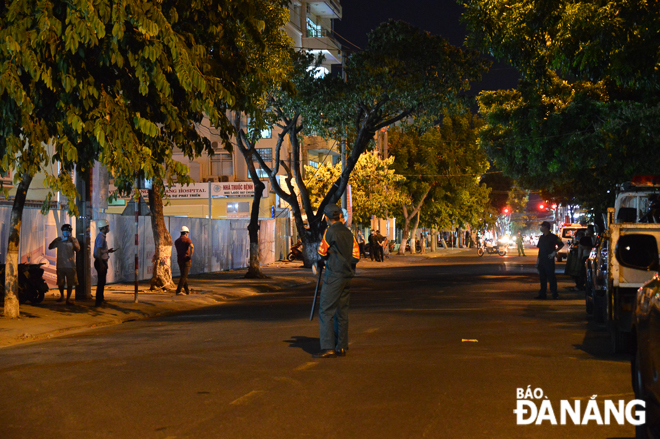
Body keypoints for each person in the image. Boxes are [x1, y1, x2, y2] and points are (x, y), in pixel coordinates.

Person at [314, 204, 360, 358]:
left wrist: (331, 259)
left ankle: (328, 347)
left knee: (326, 311)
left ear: (327, 218)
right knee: (342, 312)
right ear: (340, 216)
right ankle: (341, 346)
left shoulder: (330, 231)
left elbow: (321, 251)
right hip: (347, 276)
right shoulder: (349, 233)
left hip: (333, 276)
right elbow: (356, 256)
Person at [48, 224, 80, 305]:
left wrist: (72, 241)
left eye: (68, 231)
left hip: (70, 265)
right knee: (60, 283)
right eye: (65, 231)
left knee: (70, 283)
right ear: (62, 232)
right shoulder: (59, 239)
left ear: (70, 232)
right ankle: (62, 296)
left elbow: (78, 249)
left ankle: (68, 299)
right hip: (60, 265)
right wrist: (56, 241)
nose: (66, 232)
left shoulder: (74, 240)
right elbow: (50, 247)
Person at [535, 221, 564, 300]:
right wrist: (537, 262)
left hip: (549, 260)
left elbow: (561, 244)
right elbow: (540, 250)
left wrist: (554, 252)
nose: (541, 228)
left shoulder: (553, 237)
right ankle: (542, 294)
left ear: (546, 228)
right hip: (542, 260)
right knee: (542, 278)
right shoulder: (541, 237)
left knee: (551, 278)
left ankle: (554, 294)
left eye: (542, 226)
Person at [94, 219, 115, 307]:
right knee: (101, 282)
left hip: (101, 261)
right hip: (101, 262)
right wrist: (101, 263)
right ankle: (98, 301)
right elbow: (98, 251)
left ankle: (100, 299)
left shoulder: (102, 237)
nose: (108, 228)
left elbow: (100, 250)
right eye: (107, 226)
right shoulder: (101, 237)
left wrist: (107, 251)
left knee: (102, 282)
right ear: (104, 228)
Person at [174, 226, 194, 295]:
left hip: (179, 260)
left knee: (183, 275)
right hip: (186, 260)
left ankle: (187, 291)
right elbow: (192, 246)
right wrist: (190, 256)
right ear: (186, 233)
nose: (188, 234)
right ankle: (178, 290)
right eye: (187, 233)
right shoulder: (187, 240)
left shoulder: (176, 241)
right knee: (184, 276)